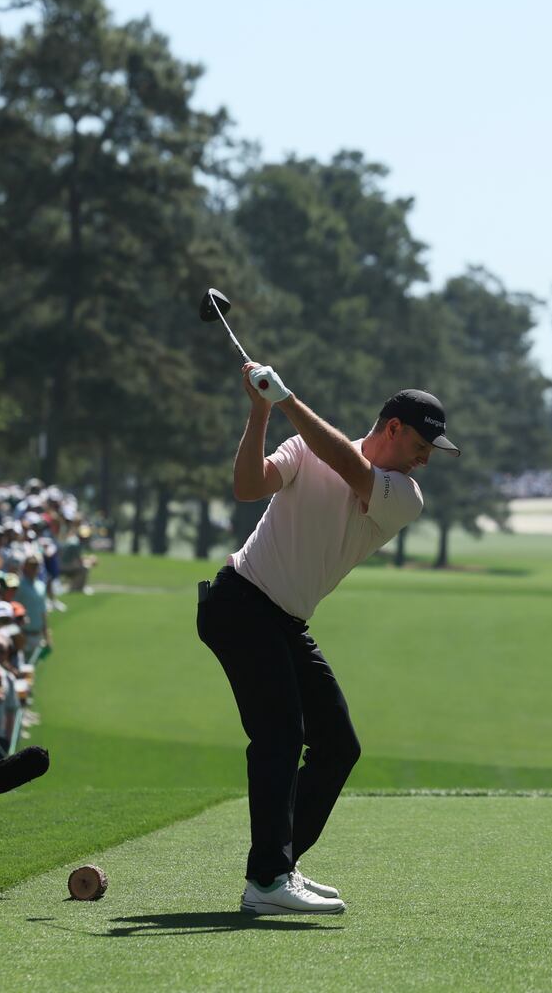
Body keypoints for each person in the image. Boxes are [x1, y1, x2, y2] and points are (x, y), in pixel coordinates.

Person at [196, 362, 458, 915]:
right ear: (392, 428)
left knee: (338, 745)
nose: (426, 458)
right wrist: (260, 410)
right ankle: (267, 879)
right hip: (240, 603)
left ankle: (277, 866)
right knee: (281, 736)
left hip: (283, 620)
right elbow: (247, 487)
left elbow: (349, 466)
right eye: (421, 443)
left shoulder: (404, 495)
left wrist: (287, 399)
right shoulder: (303, 447)